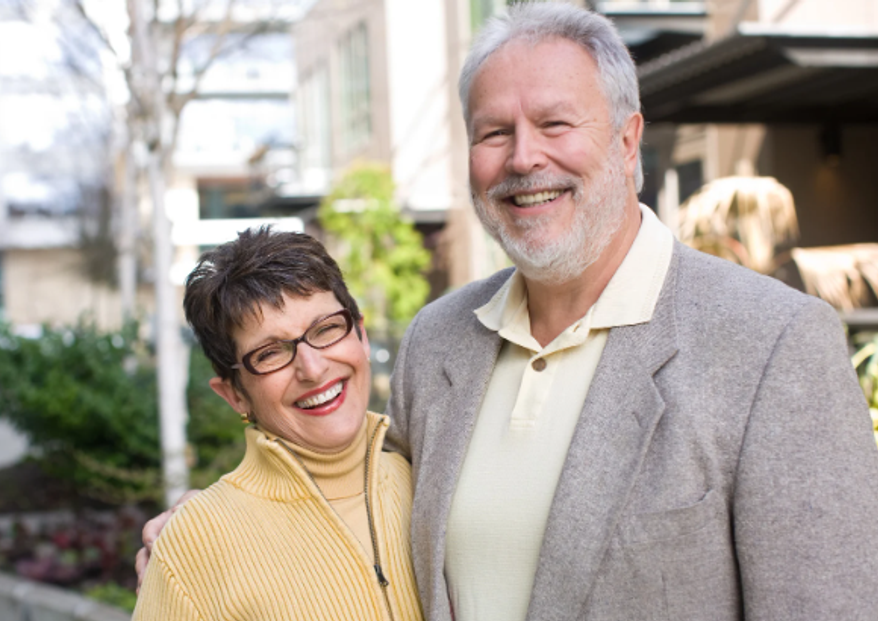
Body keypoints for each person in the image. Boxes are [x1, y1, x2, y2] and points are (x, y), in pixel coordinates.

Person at [140, 3, 878, 620]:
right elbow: (350, 498)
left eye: (556, 124)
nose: (524, 158)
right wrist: (202, 539)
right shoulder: (441, 343)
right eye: (494, 132)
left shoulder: (775, 343)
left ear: (627, 141)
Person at [132, 227, 423, 621]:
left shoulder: (429, 481)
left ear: (361, 335)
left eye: (326, 329)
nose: (313, 368)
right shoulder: (197, 544)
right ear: (234, 394)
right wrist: (186, 544)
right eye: (270, 354)